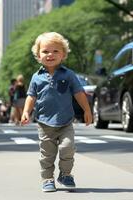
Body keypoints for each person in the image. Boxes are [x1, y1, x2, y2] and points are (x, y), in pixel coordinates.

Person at [21, 32, 92, 192]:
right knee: (47, 154)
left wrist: (87, 110)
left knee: (68, 148)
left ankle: (65, 175)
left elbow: (79, 93)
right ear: (38, 55)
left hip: (66, 121)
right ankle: (47, 179)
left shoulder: (69, 75)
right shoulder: (36, 77)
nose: (50, 55)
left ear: (63, 54)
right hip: (44, 123)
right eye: (45, 51)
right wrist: (26, 111)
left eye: (55, 51)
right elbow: (31, 96)